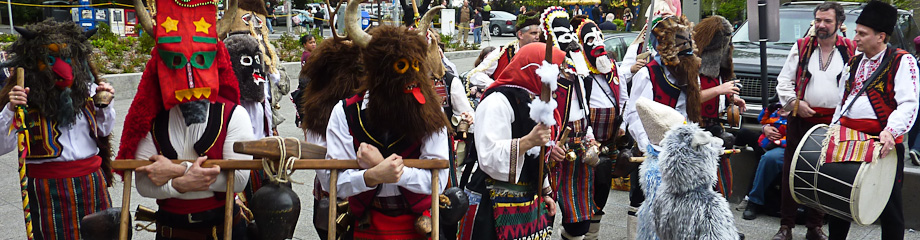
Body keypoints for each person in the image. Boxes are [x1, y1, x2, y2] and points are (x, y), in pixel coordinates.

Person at [117, 0, 255, 237]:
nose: (190, 80)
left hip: (223, 230)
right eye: (176, 62)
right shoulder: (152, 120)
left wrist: (175, 171)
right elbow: (143, 183)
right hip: (171, 231)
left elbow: (239, 179)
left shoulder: (233, 115)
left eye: (200, 61)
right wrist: (181, 183)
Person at [330, 5, 450, 238]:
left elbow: (438, 179)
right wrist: (372, 176)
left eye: (415, 66)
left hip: (420, 225)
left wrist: (387, 168)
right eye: (400, 67)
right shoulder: (346, 112)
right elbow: (334, 182)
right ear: (377, 72)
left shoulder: (429, 111)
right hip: (366, 223)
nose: (411, 80)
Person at [0, 20, 115, 240]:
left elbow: (103, 131)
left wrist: (105, 105)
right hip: (47, 191)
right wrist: (10, 111)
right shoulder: (23, 98)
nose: (63, 69)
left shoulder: (89, 90)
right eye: (50, 60)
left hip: (91, 183)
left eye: (68, 58)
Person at [828, 1, 919, 239]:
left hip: (883, 143)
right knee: (840, 202)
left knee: (889, 206)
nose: (855, 38)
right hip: (848, 139)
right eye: (856, 31)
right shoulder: (853, 62)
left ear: (880, 36)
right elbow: (842, 100)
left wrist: (891, 130)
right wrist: (833, 129)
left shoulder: (902, 61)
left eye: (862, 33)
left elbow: (909, 103)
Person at [457, 42, 563, 240]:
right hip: (492, 202)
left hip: (526, 200)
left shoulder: (533, 101)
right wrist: (527, 142)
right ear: (535, 70)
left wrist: (544, 191)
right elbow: (488, 156)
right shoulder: (496, 101)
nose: (556, 78)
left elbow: (535, 158)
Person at [771, 2, 856, 239]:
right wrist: (794, 104)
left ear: (839, 24)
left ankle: (814, 227)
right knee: (792, 171)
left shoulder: (850, 49)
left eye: (827, 21)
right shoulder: (801, 47)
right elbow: (783, 82)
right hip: (801, 119)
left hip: (833, 123)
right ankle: (786, 226)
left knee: (823, 173)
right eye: (818, 20)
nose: (821, 25)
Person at [624, 14, 701, 240]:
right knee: (642, 201)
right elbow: (634, 114)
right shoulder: (648, 74)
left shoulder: (688, 72)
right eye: (681, 50)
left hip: (680, 150)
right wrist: (651, 147)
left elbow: (688, 113)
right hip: (652, 150)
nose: (688, 56)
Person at [299, 35, 364, 240]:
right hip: (341, 194)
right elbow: (326, 175)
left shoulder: (365, 105)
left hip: (364, 193)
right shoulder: (321, 110)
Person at [570, 16, 629, 240]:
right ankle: (575, 230)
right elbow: (577, 105)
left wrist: (622, 123)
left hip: (611, 137)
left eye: (599, 37)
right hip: (587, 139)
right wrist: (589, 135)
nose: (596, 42)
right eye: (590, 38)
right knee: (582, 186)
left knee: (603, 184)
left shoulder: (613, 67)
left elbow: (623, 96)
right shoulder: (578, 70)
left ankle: (593, 234)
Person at [464, 11, 540, 88]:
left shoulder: (544, 53)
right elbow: (475, 74)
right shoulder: (502, 52)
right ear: (520, 34)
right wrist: (497, 86)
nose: (537, 37)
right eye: (533, 33)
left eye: (538, 33)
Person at [743, 103, 788, 220]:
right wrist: (765, 128)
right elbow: (763, 118)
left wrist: (780, 142)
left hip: (792, 141)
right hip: (769, 141)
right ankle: (753, 201)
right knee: (767, 156)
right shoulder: (778, 109)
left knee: (767, 155)